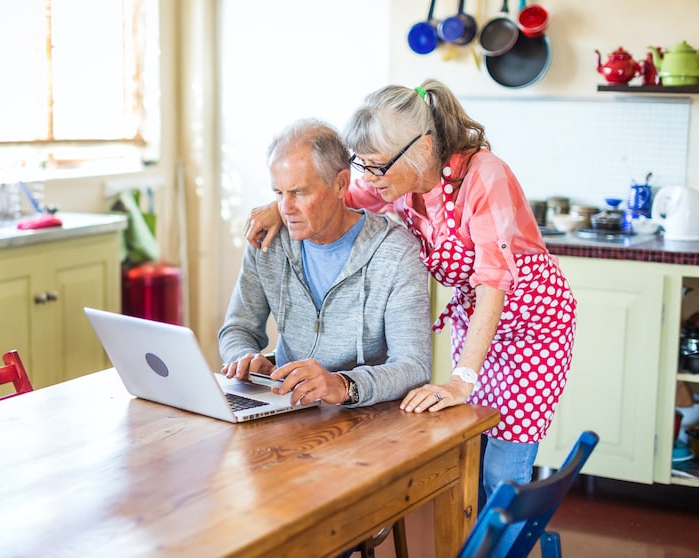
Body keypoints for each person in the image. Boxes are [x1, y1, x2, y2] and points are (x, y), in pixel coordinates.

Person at [244, 81, 576, 555]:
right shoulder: (397, 181)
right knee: (470, 451)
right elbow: (336, 194)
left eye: (377, 164)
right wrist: (277, 206)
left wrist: (462, 378)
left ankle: (505, 548)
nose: (370, 176)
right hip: (478, 324)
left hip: (532, 327)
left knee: (504, 470)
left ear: (420, 148)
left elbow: (493, 284)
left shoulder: (486, 176)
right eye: (363, 163)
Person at [220, 117, 432, 410]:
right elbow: (237, 329)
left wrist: (343, 385)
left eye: (299, 192)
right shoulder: (268, 241)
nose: (285, 208)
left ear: (340, 184)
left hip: (367, 420)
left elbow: (415, 366)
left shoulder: (397, 253)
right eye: (279, 193)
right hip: (287, 410)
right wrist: (243, 357)